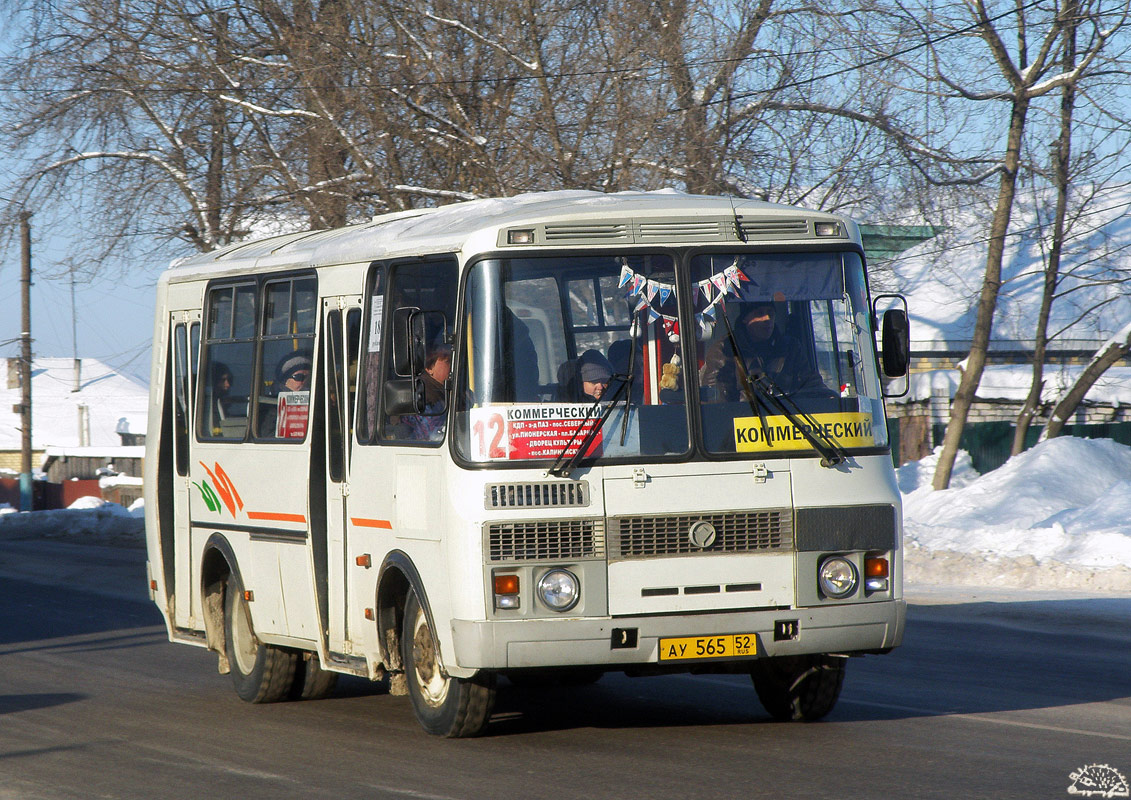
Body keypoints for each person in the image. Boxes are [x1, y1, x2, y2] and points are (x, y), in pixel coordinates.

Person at [699, 301, 826, 400]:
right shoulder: (725, 349)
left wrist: (827, 398)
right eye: (759, 313)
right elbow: (717, 400)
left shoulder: (791, 348)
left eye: (771, 313)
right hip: (744, 426)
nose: (767, 318)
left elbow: (811, 384)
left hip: (789, 424)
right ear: (745, 319)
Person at [259, 350, 312, 437]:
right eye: (299, 377)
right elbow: (267, 436)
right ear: (285, 380)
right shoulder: (272, 405)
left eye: (308, 378)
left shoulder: (315, 402)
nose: (305, 382)